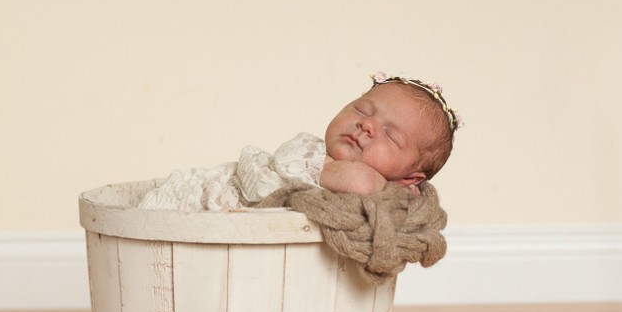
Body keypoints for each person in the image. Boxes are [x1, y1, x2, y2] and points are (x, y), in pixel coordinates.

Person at [138, 71, 462, 211]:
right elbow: (360, 182)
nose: (366, 125)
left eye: (390, 134)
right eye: (361, 110)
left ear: (411, 177)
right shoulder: (307, 152)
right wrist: (392, 190)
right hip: (192, 203)